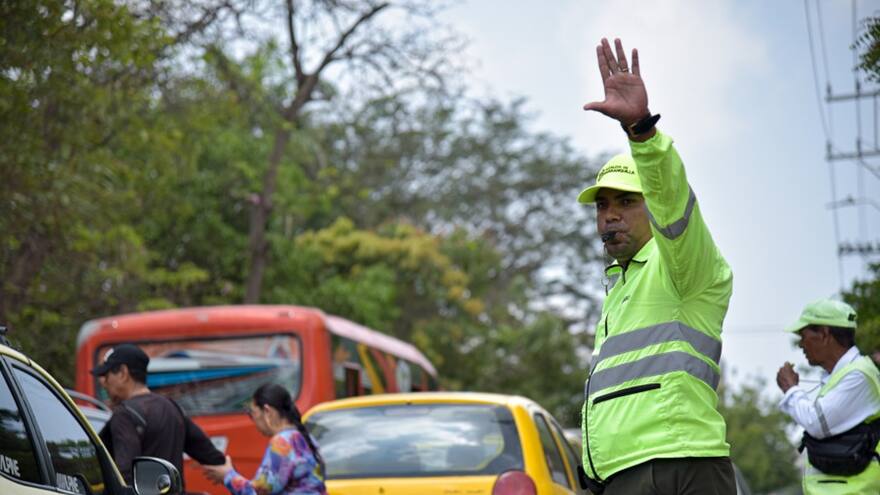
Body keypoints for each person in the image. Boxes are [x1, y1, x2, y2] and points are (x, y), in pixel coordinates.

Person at [577, 38, 735, 494]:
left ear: (653, 209)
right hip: (625, 474)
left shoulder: (681, 267)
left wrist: (641, 133)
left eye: (626, 202)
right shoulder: (621, 288)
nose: (609, 214)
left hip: (677, 466)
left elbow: (671, 198)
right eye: (602, 205)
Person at [776, 299, 880, 494]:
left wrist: (791, 390)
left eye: (803, 336)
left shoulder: (859, 375)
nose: (800, 345)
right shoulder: (844, 375)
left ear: (824, 334)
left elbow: (817, 423)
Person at [92, 343, 225, 489]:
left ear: (123, 373)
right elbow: (210, 455)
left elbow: (125, 475)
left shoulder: (124, 415)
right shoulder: (172, 407)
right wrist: (228, 471)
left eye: (106, 375)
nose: (104, 383)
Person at [203, 383, 327, 495]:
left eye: (252, 413)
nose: (253, 420)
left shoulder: (282, 443)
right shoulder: (305, 437)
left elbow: (258, 492)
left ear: (267, 411)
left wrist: (227, 476)